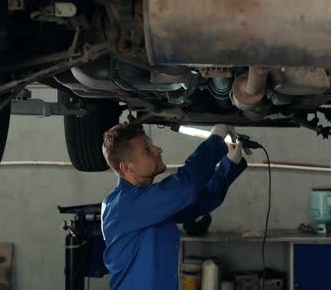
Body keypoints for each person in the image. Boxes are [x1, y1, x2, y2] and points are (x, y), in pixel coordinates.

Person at [100, 123, 247, 289]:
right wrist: (215, 140)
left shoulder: (148, 205)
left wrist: (229, 165)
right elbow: (187, 182)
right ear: (126, 167)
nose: (158, 150)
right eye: (147, 149)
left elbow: (199, 202)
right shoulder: (124, 206)